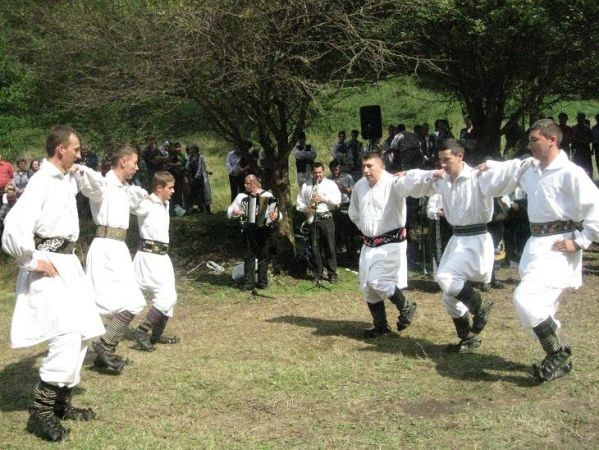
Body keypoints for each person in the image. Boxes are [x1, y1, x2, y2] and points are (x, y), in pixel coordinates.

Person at [1, 126, 105, 442]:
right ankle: (42, 411)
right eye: (76, 149)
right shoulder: (42, 182)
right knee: (67, 332)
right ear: (61, 149)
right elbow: (13, 225)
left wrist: (79, 169)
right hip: (50, 263)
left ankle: (61, 403)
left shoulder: (64, 179)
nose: (79, 153)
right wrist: (31, 260)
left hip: (68, 262)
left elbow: (98, 189)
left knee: (83, 331)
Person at [482, 119, 599, 381]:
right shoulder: (530, 169)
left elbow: (596, 208)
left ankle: (558, 352)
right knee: (538, 305)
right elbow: (506, 170)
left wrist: (581, 241)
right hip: (536, 244)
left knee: (526, 300)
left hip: (559, 246)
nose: (529, 145)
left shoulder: (570, 173)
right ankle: (559, 352)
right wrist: (487, 166)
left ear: (552, 140)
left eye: (534, 140)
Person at [399, 139, 496, 351]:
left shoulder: (478, 176)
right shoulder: (442, 180)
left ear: (460, 156)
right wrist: (416, 174)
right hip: (457, 239)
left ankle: (480, 305)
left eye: (447, 160)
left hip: (476, 238)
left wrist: (491, 165)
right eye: (440, 160)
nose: (443, 164)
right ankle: (468, 338)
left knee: (444, 278)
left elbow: (508, 175)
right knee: (448, 296)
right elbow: (417, 186)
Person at [78, 144, 148, 373]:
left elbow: (141, 207)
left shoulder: (124, 189)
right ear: (123, 161)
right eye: (134, 163)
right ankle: (101, 345)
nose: (137, 168)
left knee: (131, 301)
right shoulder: (103, 184)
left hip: (118, 248)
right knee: (119, 302)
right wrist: (76, 168)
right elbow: (88, 184)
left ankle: (105, 348)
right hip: (106, 248)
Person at [348, 151, 421, 338]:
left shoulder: (394, 183)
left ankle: (406, 306)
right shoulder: (360, 186)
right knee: (368, 286)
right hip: (368, 245)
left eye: (370, 166)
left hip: (391, 244)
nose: (366, 170)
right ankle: (381, 326)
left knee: (378, 281)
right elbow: (354, 212)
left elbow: (415, 185)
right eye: (363, 167)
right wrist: (365, 228)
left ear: (381, 165)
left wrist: (414, 174)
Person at [129, 171, 180, 351]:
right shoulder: (147, 203)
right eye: (170, 188)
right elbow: (131, 205)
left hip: (162, 256)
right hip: (149, 256)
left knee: (170, 295)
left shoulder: (164, 204)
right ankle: (141, 331)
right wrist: (139, 195)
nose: (173, 191)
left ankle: (156, 335)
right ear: (159, 188)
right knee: (166, 296)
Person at [227, 174, 281, 290]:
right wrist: (235, 212)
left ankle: (262, 281)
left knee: (263, 255)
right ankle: (249, 282)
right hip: (249, 230)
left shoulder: (267, 195)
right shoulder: (241, 196)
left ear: (254, 183)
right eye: (245, 183)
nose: (244, 185)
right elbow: (229, 211)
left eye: (247, 183)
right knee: (249, 255)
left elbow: (277, 214)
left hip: (264, 230)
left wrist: (275, 216)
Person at [297, 163, 341, 284]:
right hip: (312, 219)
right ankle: (318, 273)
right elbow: (299, 201)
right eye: (315, 173)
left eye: (320, 172)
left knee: (330, 247)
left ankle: (332, 273)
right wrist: (305, 208)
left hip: (326, 219)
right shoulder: (306, 185)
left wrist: (323, 199)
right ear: (312, 172)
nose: (318, 175)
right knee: (315, 248)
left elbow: (337, 201)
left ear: (323, 171)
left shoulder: (331, 184)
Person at [328, 159, 357, 261]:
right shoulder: (328, 179)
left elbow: (354, 191)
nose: (335, 172)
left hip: (345, 205)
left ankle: (351, 253)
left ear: (339, 168)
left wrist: (345, 189)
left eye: (336, 169)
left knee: (348, 231)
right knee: (336, 231)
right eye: (333, 170)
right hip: (334, 207)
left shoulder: (347, 177)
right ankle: (338, 253)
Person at [186, 144, 213, 214]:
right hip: (193, 177)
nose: (190, 150)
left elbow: (200, 168)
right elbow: (187, 166)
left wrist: (196, 177)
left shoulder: (200, 157)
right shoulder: (189, 157)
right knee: (196, 192)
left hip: (201, 177)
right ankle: (200, 208)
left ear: (195, 149)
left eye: (191, 149)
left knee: (204, 192)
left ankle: (207, 210)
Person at [571, 112, 594, 177]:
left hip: (585, 148)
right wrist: (572, 149)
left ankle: (589, 179)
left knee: (587, 166)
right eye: (578, 118)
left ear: (583, 118)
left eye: (580, 118)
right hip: (577, 148)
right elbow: (572, 139)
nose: (579, 119)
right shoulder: (574, 128)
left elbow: (592, 139)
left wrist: (591, 149)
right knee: (577, 165)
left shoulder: (587, 129)